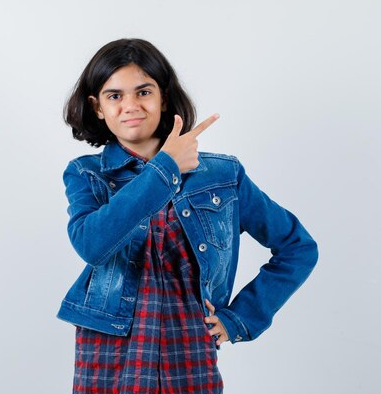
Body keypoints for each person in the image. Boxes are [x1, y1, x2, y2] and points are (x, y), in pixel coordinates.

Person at [57, 38, 318, 394]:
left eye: (143, 92)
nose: (130, 105)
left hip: (190, 347)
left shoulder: (222, 175)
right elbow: (92, 244)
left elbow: (297, 247)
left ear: (163, 97)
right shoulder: (87, 174)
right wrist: (165, 169)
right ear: (97, 107)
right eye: (114, 95)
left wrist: (240, 318)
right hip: (110, 349)